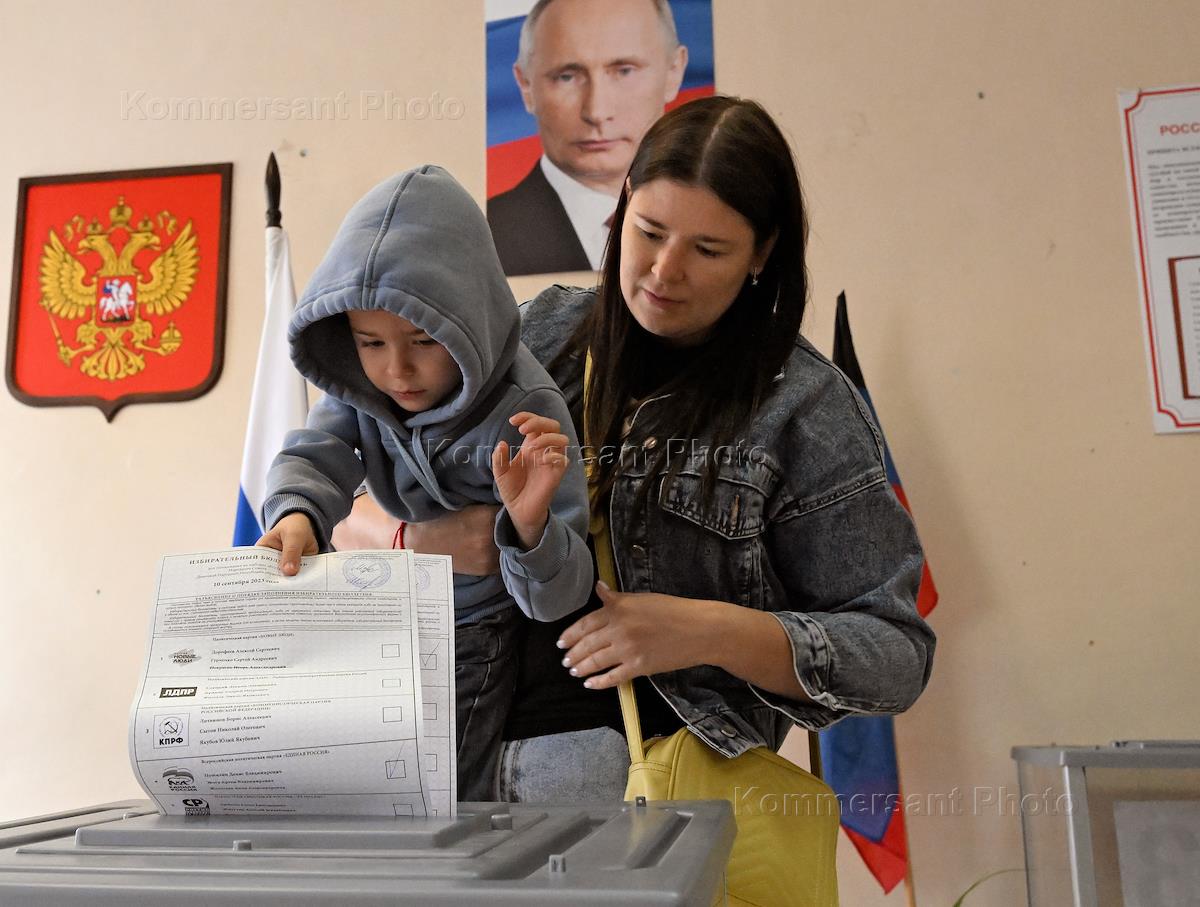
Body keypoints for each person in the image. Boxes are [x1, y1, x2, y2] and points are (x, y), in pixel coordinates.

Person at [341, 97, 936, 802]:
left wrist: (706, 630)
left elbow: (895, 656)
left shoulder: (805, 408)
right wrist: (416, 538)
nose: (663, 271)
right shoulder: (531, 338)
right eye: (649, 232)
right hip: (446, 755)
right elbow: (347, 515)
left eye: (707, 250)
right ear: (623, 204)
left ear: (762, 252)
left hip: (658, 790)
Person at [256, 165, 593, 801]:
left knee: (438, 787)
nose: (398, 370)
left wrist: (529, 528)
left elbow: (560, 595)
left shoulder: (529, 410)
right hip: (382, 612)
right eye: (370, 343)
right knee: (334, 765)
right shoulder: (360, 388)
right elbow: (317, 453)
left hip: (478, 629)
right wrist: (297, 513)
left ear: (472, 321)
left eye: (423, 341)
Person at [487, 0, 688, 276]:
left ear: (674, 71)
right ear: (526, 86)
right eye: (567, 77)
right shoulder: (485, 236)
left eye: (624, 71)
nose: (597, 112)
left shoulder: (710, 218)